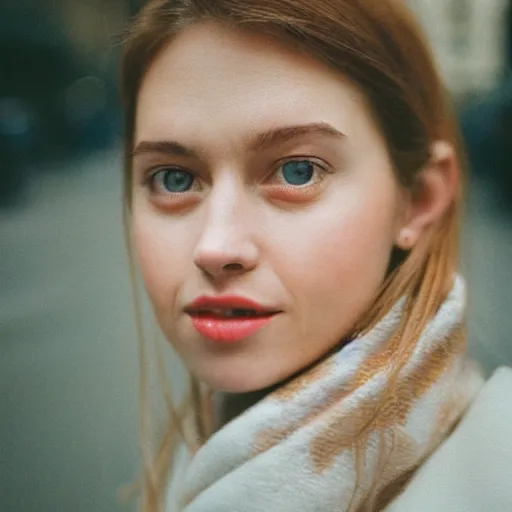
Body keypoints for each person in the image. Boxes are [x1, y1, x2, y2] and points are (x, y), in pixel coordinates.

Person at [120, 0, 512, 510]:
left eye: (297, 171)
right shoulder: (207, 463)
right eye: (174, 178)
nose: (216, 247)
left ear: (418, 200)